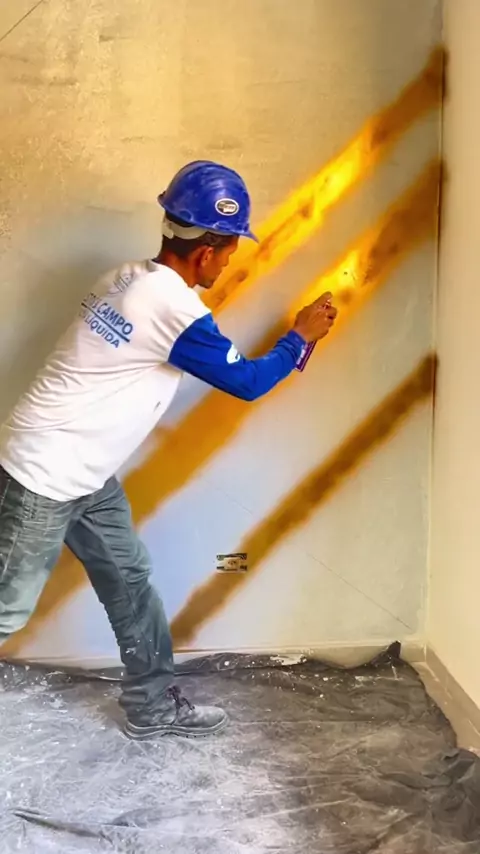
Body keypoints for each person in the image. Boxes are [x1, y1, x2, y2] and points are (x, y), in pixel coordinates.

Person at [0, 161, 337, 740]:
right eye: (229, 251)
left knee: (130, 581)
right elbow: (247, 382)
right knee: (7, 607)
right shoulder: (172, 309)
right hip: (42, 475)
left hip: (86, 474)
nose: (228, 263)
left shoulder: (126, 278)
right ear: (206, 252)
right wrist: (299, 338)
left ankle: (152, 706)